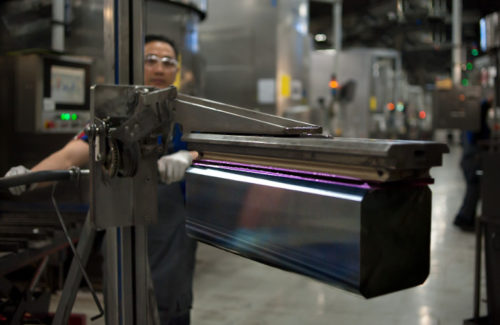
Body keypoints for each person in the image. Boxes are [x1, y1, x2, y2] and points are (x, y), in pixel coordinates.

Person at [4, 34, 198, 325]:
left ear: (177, 69)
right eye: (151, 60)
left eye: (168, 62)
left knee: (170, 310)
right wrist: (32, 176)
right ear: (135, 65)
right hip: (120, 234)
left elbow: (215, 150)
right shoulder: (115, 117)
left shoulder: (188, 115)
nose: (159, 68)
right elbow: (71, 156)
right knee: (121, 308)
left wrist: (190, 157)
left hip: (170, 242)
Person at [453, 96, 492, 232]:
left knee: (473, 191)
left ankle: (466, 218)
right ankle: (464, 218)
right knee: (473, 190)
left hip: (469, 159)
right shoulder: (476, 123)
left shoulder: (471, 122)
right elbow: (482, 109)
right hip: (472, 159)